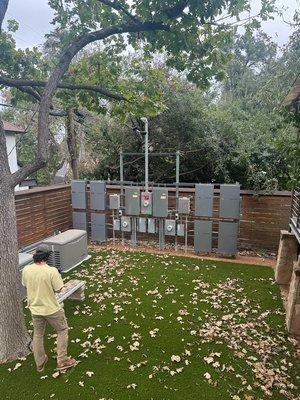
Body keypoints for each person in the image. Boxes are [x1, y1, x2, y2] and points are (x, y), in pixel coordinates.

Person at [22, 244, 76, 372]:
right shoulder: (52, 271)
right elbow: (59, 289)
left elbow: (25, 284)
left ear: (35, 256)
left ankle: (40, 363)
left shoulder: (26, 269)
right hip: (51, 309)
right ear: (47, 257)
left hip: (34, 308)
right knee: (62, 329)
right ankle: (62, 361)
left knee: (38, 334)